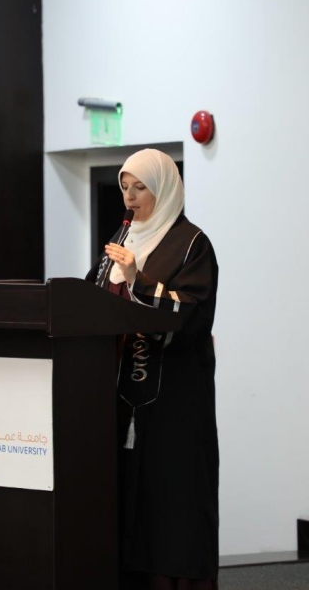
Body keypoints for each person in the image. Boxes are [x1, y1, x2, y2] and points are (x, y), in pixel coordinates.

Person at [86, 149, 219, 590]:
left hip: (173, 402)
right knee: (124, 501)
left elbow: (193, 314)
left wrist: (137, 280)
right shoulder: (122, 239)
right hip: (120, 400)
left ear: (163, 190)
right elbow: (89, 300)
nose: (129, 197)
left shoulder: (192, 244)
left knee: (170, 503)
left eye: (140, 187)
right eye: (125, 187)